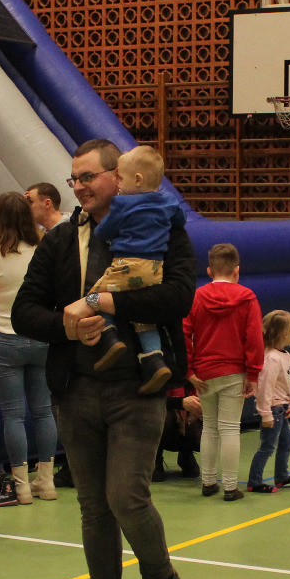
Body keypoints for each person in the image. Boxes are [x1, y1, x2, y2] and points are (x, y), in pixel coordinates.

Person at [11, 137, 194, 579]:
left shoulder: (164, 225)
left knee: (126, 497)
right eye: (74, 179)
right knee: (93, 508)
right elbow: (24, 311)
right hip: (76, 390)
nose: (80, 187)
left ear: (120, 176)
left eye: (88, 176)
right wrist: (67, 327)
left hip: (138, 388)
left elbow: (179, 297)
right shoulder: (59, 240)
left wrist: (106, 304)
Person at [0, 191, 58, 505]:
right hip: (42, 337)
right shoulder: (44, 249)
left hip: (5, 339)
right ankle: (46, 482)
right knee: (43, 411)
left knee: (13, 416)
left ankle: (21, 487)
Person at [83, 144, 186, 393]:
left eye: (120, 177)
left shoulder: (122, 205)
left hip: (127, 265)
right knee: (143, 317)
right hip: (155, 269)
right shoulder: (169, 201)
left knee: (94, 297)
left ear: (137, 179)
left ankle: (110, 337)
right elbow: (180, 220)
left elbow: (103, 231)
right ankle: (154, 359)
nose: (118, 182)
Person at [185, 243, 264, 501]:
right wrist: (253, 374)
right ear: (236, 270)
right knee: (230, 428)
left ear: (209, 271)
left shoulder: (197, 297)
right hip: (234, 371)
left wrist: (189, 370)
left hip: (204, 373)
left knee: (209, 426)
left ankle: (208, 482)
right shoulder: (248, 298)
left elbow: (184, 334)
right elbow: (254, 339)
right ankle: (230, 487)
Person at [247, 311, 290, 494]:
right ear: (284, 333)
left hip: (281, 408)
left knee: (286, 441)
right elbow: (265, 387)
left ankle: (281, 476)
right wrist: (266, 413)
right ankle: (254, 482)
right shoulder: (271, 358)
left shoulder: (285, 355)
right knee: (268, 446)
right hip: (273, 409)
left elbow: (289, 380)